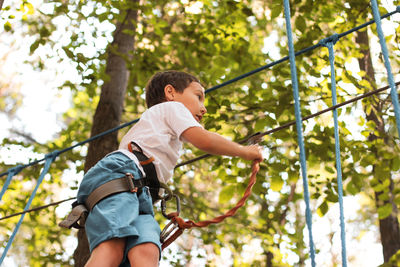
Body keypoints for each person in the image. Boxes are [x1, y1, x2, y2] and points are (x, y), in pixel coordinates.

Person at [77, 70, 263, 267]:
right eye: (198, 97)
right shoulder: (172, 108)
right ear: (170, 93)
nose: (204, 108)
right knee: (112, 248)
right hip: (120, 176)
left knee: (147, 249)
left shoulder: (157, 126)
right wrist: (245, 151)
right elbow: (204, 140)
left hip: (141, 193)